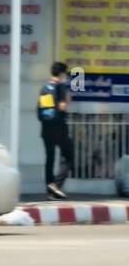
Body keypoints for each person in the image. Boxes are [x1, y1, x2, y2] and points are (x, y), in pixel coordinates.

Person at [37, 61, 74, 200]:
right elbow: (62, 107)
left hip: (46, 128)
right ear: (62, 73)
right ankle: (57, 184)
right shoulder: (60, 87)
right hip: (59, 128)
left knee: (50, 158)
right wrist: (67, 100)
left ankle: (50, 186)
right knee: (69, 155)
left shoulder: (45, 87)